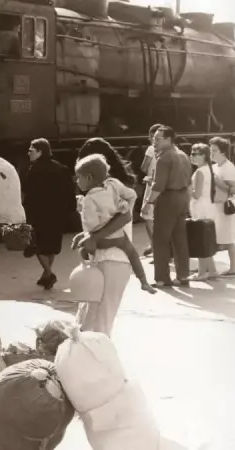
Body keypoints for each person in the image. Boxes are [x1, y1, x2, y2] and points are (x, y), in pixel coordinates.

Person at [72, 138, 138, 336]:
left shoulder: (116, 188)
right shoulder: (99, 190)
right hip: (102, 258)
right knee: (87, 318)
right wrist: (85, 235)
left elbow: (124, 217)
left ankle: (96, 361)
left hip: (114, 258)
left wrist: (92, 237)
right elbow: (103, 223)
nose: (78, 180)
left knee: (100, 321)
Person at [74, 154, 156, 293]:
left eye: (79, 177)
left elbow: (91, 226)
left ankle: (90, 269)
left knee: (83, 249)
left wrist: (81, 210)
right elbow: (132, 195)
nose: (77, 181)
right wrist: (124, 206)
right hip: (119, 236)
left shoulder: (89, 199)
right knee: (133, 253)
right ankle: (143, 281)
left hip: (103, 240)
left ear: (88, 178)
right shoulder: (113, 185)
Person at [22, 138, 75, 290]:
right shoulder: (61, 168)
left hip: (39, 213)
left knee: (37, 244)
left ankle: (49, 273)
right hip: (58, 213)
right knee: (51, 245)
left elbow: (29, 193)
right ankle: (46, 276)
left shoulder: (34, 169)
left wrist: (25, 211)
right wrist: (70, 210)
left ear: (40, 152)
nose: (28, 153)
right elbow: (69, 191)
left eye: (31, 150)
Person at [143, 126, 192, 288]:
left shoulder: (163, 158)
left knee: (160, 239)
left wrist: (148, 203)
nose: (154, 141)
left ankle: (162, 278)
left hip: (168, 199)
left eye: (158, 139)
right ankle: (183, 275)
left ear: (169, 139)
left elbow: (158, 186)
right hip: (182, 197)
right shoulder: (183, 155)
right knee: (180, 238)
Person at [210, 137, 235, 277]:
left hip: (227, 208)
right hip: (216, 206)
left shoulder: (230, 168)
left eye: (214, 151)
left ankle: (233, 268)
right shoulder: (215, 167)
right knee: (217, 237)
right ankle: (209, 266)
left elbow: (234, 190)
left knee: (228, 239)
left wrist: (216, 181)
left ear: (223, 152)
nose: (211, 153)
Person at [187, 144, 218, 281]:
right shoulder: (207, 170)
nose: (191, 156)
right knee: (205, 239)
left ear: (203, 156)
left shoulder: (199, 172)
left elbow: (197, 194)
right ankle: (211, 270)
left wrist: (187, 188)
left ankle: (201, 273)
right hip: (208, 206)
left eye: (195, 154)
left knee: (200, 240)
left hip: (200, 207)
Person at [139, 124, 164, 257]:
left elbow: (144, 167)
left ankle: (155, 244)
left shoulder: (150, 149)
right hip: (164, 187)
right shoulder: (171, 149)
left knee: (147, 216)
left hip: (151, 185)